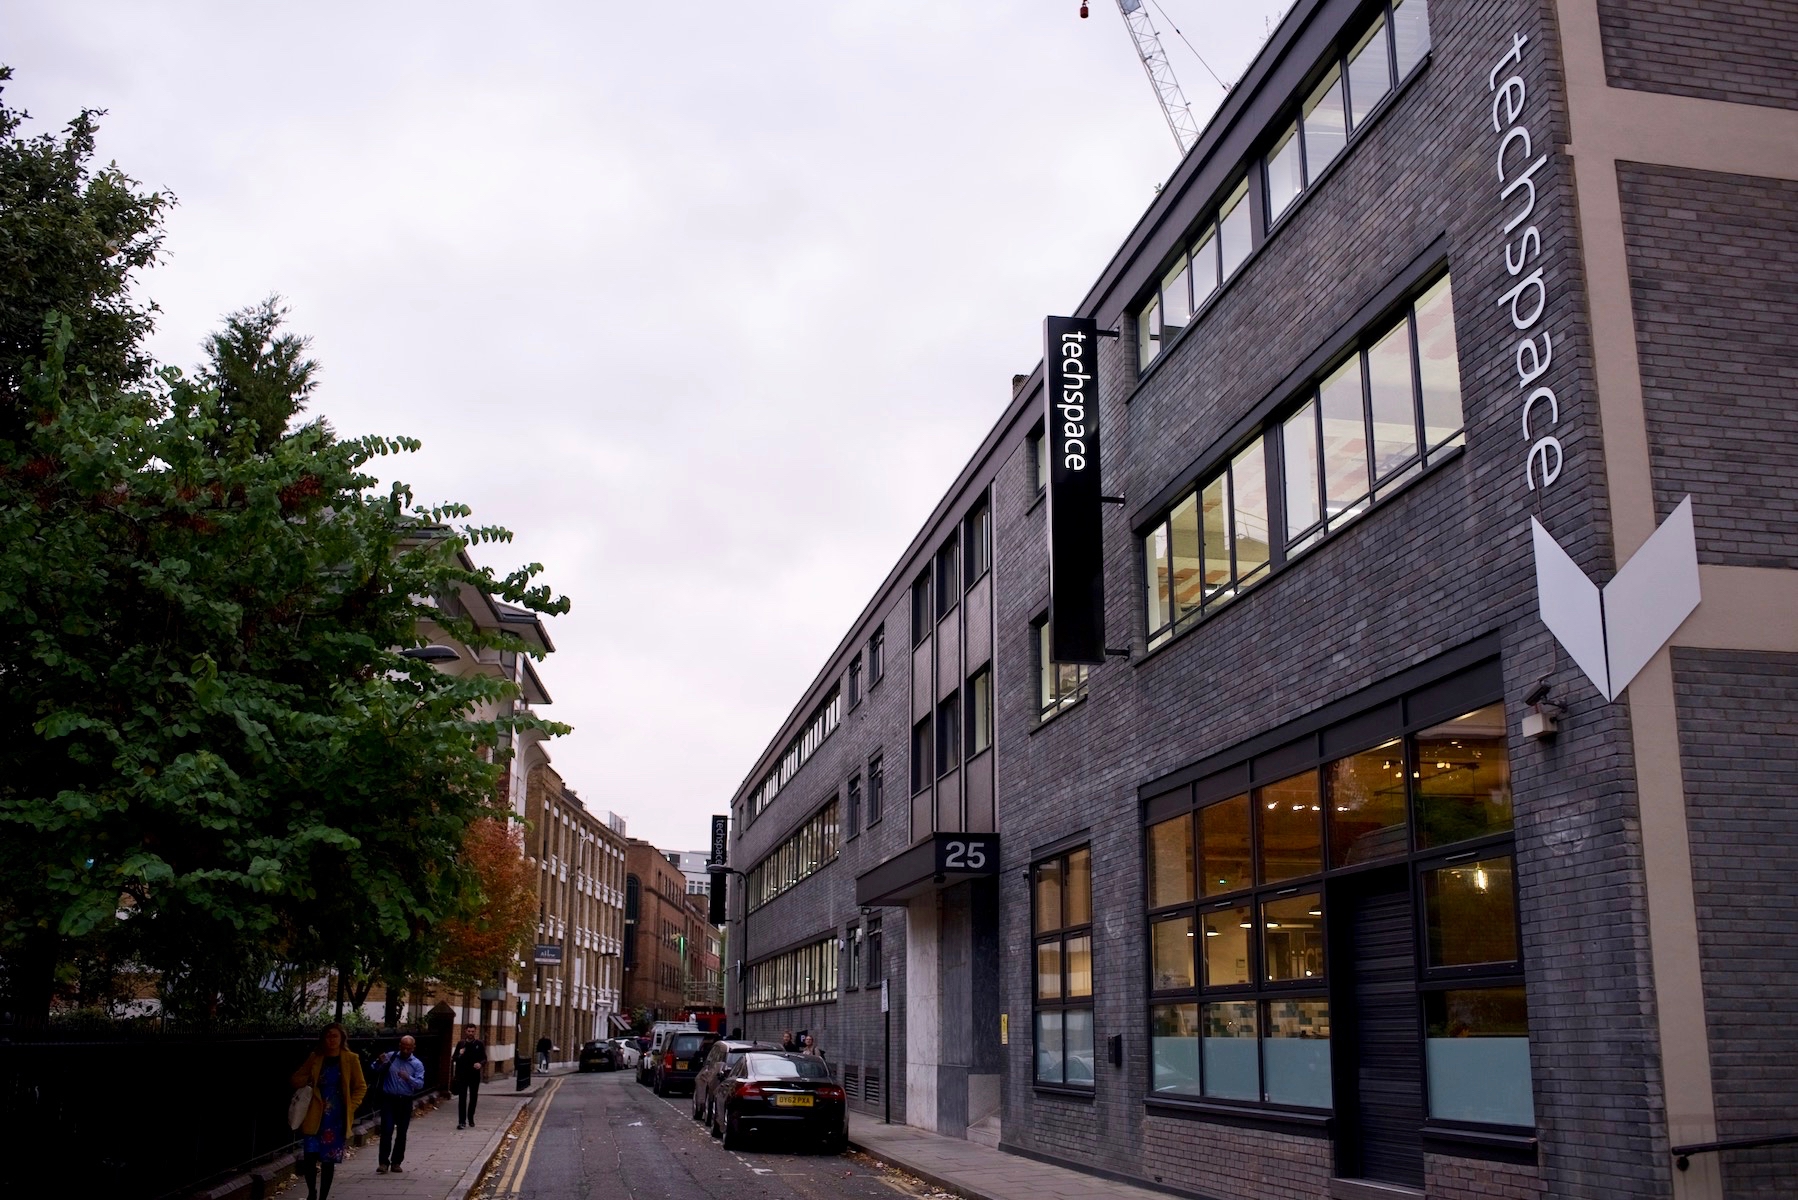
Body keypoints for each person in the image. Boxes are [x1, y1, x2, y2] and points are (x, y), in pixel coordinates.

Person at [290, 1024, 367, 1200]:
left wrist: (351, 1106)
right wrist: (308, 1078)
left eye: (335, 1036)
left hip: (336, 1117)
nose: (331, 1040)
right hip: (314, 1114)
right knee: (309, 1157)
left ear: (341, 1039)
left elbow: (360, 1086)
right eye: (328, 1036)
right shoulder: (316, 1057)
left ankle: (323, 1196)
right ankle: (312, 1192)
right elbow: (295, 1079)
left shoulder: (350, 1059)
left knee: (328, 1160)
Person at [373, 1035, 425, 1174]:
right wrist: (379, 1062)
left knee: (401, 1133)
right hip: (389, 1099)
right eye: (403, 1047)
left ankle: (396, 1162)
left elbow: (420, 1084)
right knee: (387, 1131)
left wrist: (408, 1078)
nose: (406, 1050)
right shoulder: (391, 1056)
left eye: (409, 1048)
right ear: (399, 1045)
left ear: (413, 1048)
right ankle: (383, 1162)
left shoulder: (417, 1064)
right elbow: (374, 1068)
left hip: (405, 1100)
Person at [451, 1024, 487, 1130]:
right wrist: (460, 1054)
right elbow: (454, 1058)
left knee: (473, 1097)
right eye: (469, 1031)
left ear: (475, 1032)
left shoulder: (479, 1044)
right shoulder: (461, 1044)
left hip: (474, 1075)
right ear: (465, 1031)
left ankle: (470, 1118)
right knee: (462, 1098)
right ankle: (461, 1121)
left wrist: (480, 1064)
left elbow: (484, 1058)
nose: (471, 1033)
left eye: (472, 1031)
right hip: (462, 1075)